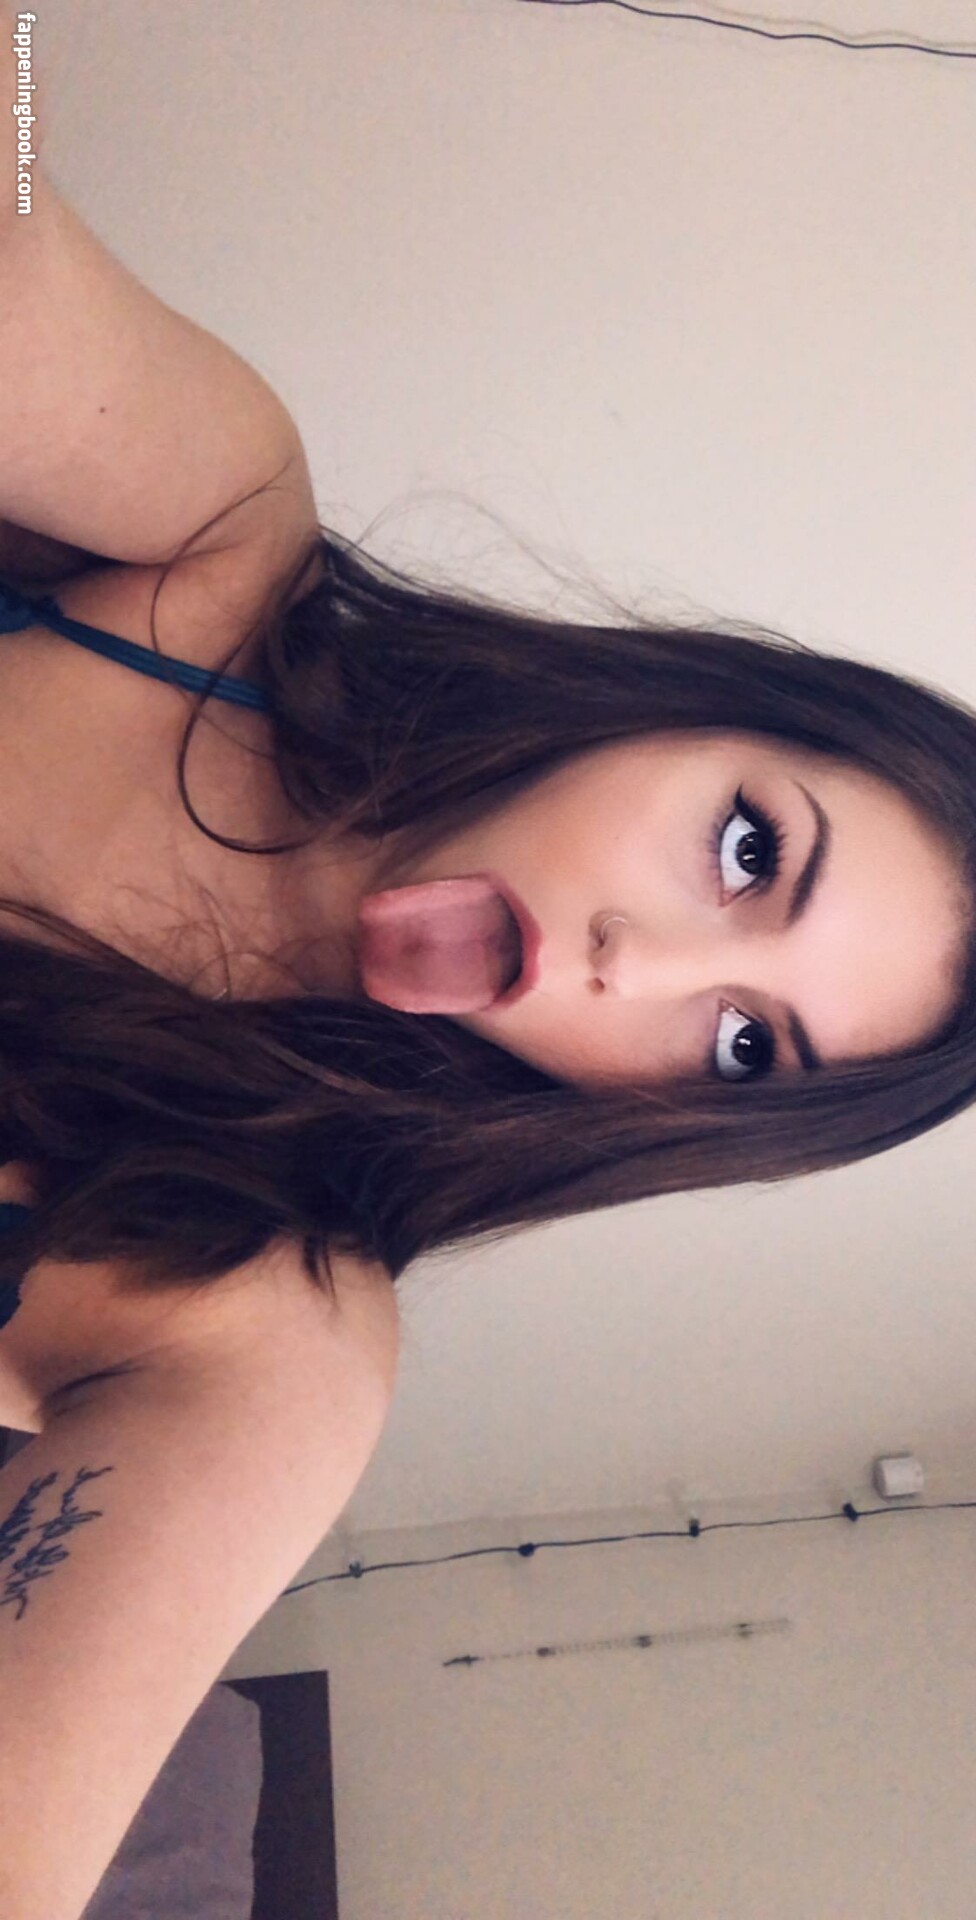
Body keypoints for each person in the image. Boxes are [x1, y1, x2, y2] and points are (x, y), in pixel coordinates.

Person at [1, 101, 974, 1920]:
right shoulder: (216, 537)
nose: (638, 969)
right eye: (748, 851)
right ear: (679, 707)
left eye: (744, 1047)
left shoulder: (266, 1328)